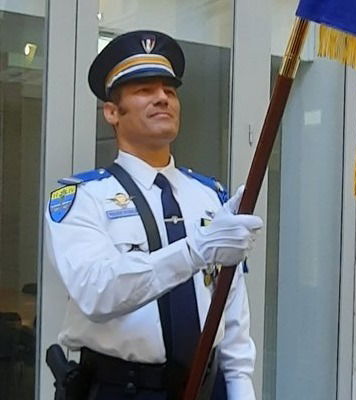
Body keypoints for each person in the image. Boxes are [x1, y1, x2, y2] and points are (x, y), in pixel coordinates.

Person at [45, 30, 261, 400]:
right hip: (122, 389)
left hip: (209, 387)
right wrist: (195, 251)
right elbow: (98, 293)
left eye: (170, 90)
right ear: (112, 112)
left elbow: (231, 307)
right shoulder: (81, 199)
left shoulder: (209, 195)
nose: (162, 97)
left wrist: (241, 387)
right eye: (144, 90)